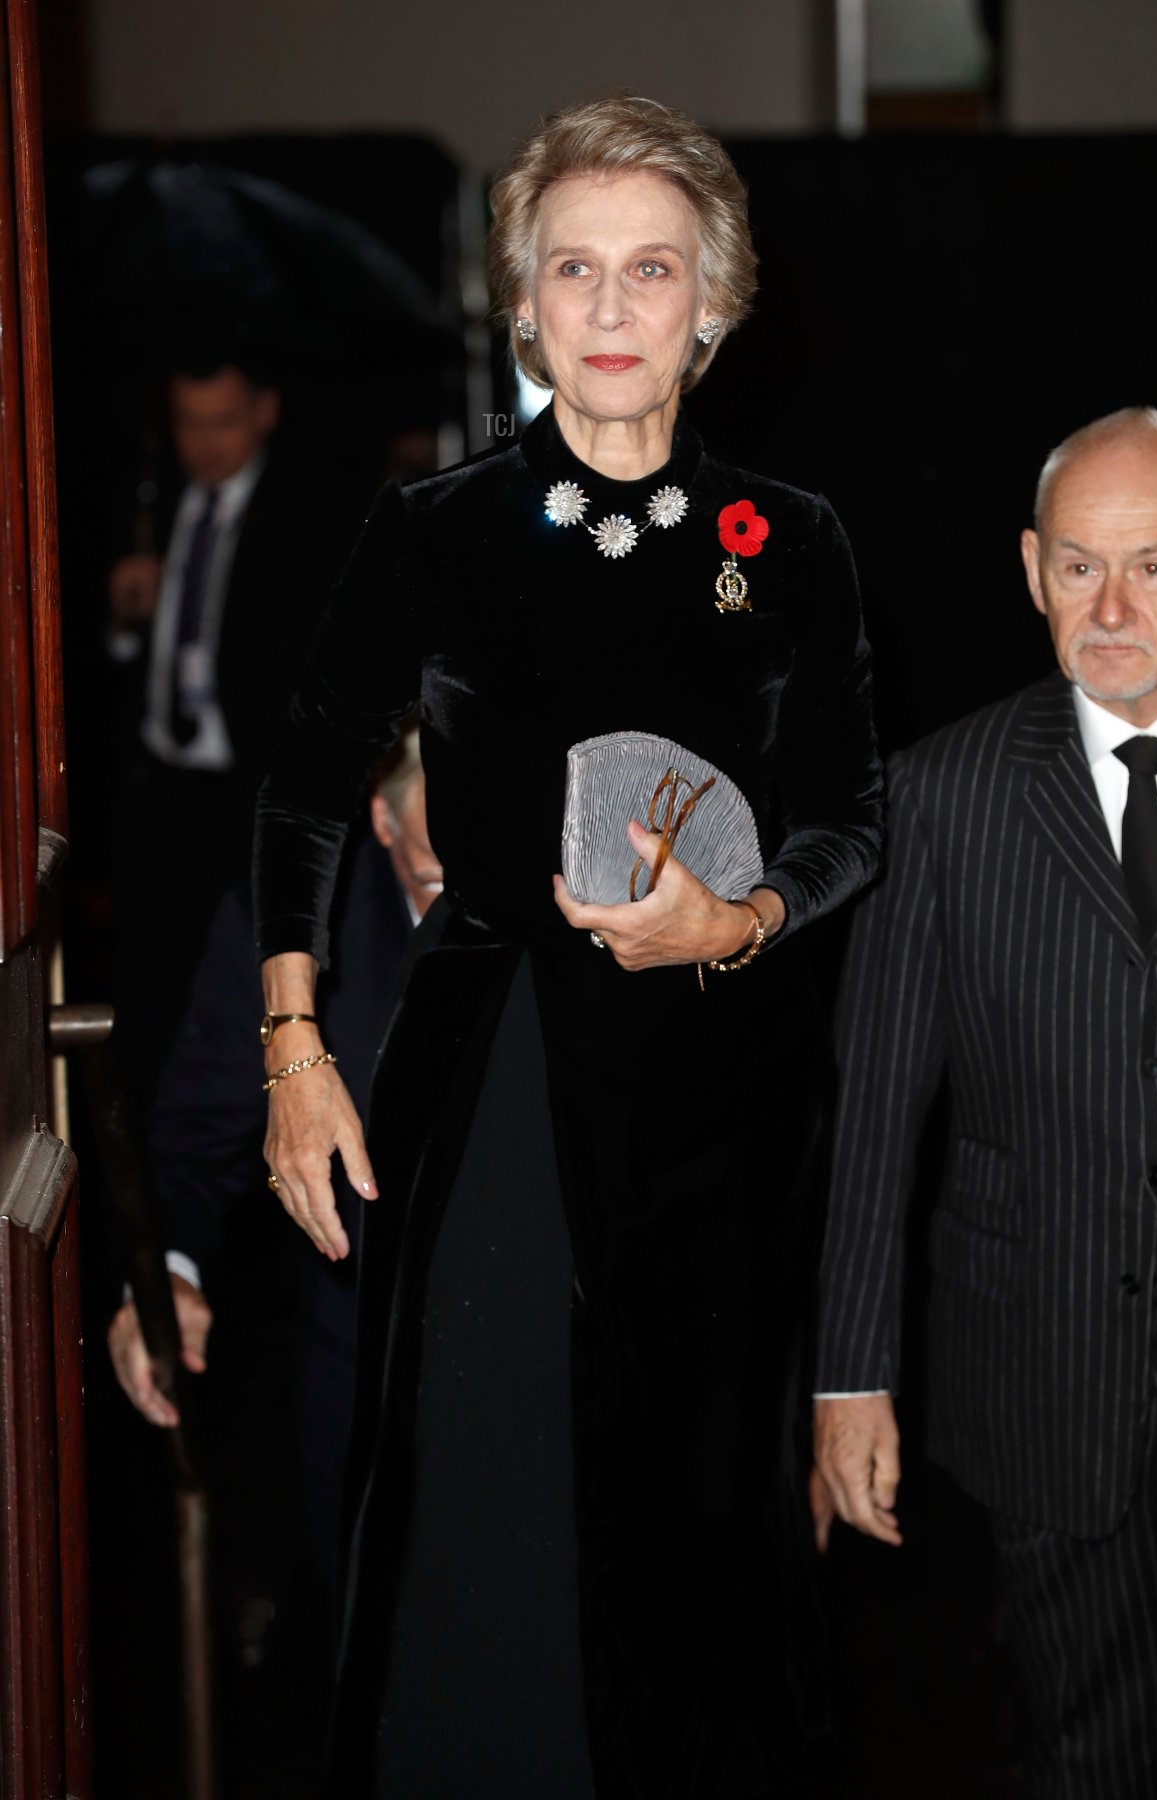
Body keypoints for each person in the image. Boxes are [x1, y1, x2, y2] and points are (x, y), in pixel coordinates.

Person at [255, 95, 883, 1798]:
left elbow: (850, 828)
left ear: (714, 305)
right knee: (490, 1507)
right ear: (522, 305)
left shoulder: (793, 542)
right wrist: (296, 1057)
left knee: (699, 1534)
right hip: (498, 1077)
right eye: (576, 271)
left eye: (653, 271)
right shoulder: (435, 530)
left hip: (720, 1097)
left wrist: (732, 921)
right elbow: (308, 794)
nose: (613, 311)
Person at [815, 407, 1157, 1798]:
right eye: (1080, 567)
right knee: (1094, 1756)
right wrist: (848, 1379)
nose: (1109, 607)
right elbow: (872, 1118)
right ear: (1032, 570)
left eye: (1153, 567)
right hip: (1047, 1384)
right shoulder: (939, 800)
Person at [107, 732, 441, 1586]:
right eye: (437, 872)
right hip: (361, 1383)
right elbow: (194, 1142)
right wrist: (168, 1275)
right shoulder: (279, 924)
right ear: (382, 817)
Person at [107, 347, 364, 1112]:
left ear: (264, 412)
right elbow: (113, 671)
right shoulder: (145, 507)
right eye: (190, 423)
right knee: (152, 1000)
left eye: (222, 421)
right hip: (163, 792)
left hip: (256, 796)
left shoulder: (308, 518)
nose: (205, 442)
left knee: (253, 994)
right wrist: (124, 621)